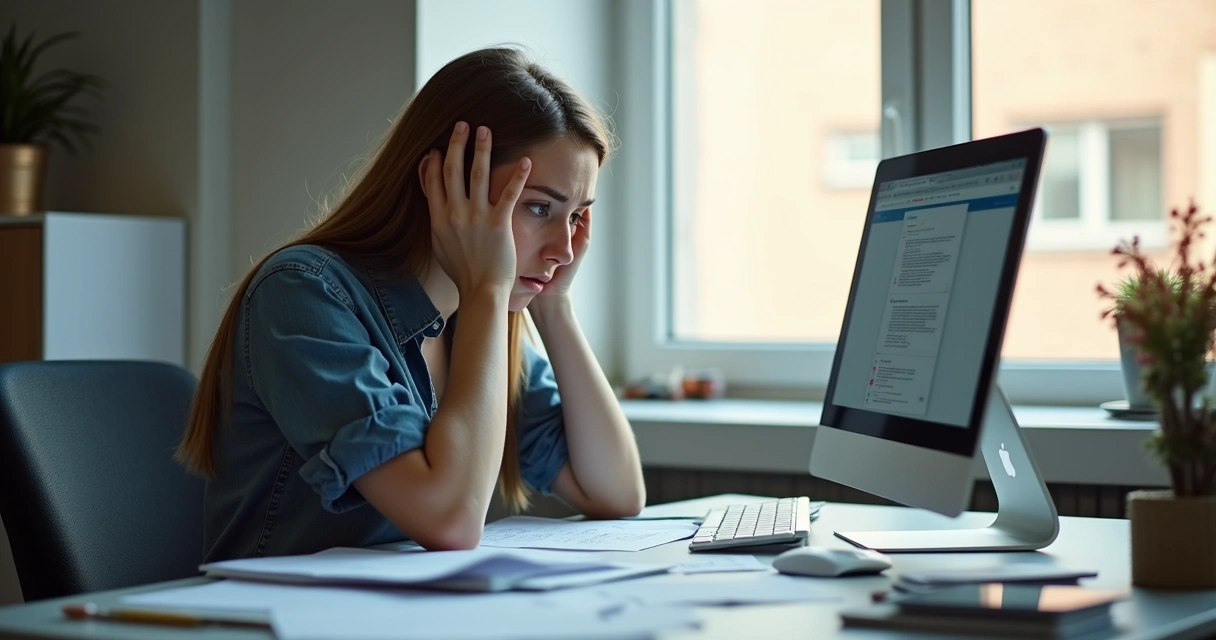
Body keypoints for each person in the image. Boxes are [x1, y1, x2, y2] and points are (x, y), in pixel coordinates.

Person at [177, 47, 646, 562]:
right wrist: (489, 292)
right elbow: (451, 519)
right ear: (442, 182)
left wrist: (555, 306)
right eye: (539, 207)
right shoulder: (303, 293)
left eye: (577, 216)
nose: (563, 249)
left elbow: (617, 492)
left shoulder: (469, 319)